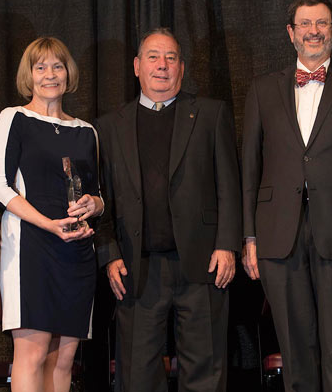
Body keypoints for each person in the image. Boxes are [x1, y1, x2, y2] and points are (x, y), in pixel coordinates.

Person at [241, 0, 332, 392]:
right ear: (291, 34)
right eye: (304, 24)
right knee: (294, 348)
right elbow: (249, 169)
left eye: (321, 23)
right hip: (276, 235)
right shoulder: (262, 89)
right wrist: (249, 236)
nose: (313, 31)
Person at [96, 27, 241, 392]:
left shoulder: (210, 114)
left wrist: (227, 245)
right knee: (137, 375)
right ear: (136, 66)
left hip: (202, 263)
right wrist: (109, 254)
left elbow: (229, 184)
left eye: (171, 58)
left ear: (182, 66)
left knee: (205, 370)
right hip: (136, 266)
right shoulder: (109, 126)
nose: (162, 65)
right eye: (153, 57)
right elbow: (102, 199)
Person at [0, 37, 103, 392]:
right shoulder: (15, 119)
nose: (50, 74)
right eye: (41, 67)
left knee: (63, 361)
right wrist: (48, 225)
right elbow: (0, 186)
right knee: (33, 354)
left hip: (77, 252)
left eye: (57, 66)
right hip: (31, 248)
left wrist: (94, 206)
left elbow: (97, 194)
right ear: (29, 75)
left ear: (69, 74)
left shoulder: (87, 131)